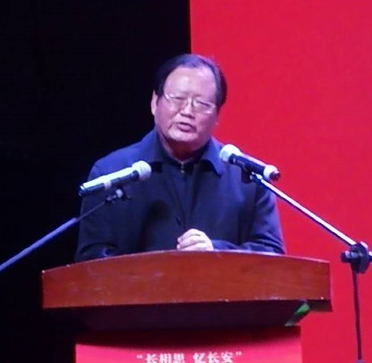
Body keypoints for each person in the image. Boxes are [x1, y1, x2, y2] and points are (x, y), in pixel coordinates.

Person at [75, 54, 285, 261]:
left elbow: (272, 254)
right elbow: (91, 260)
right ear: (155, 103)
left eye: (201, 104)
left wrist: (217, 252)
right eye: (177, 99)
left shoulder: (247, 179)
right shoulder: (111, 173)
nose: (187, 111)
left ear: (217, 116)